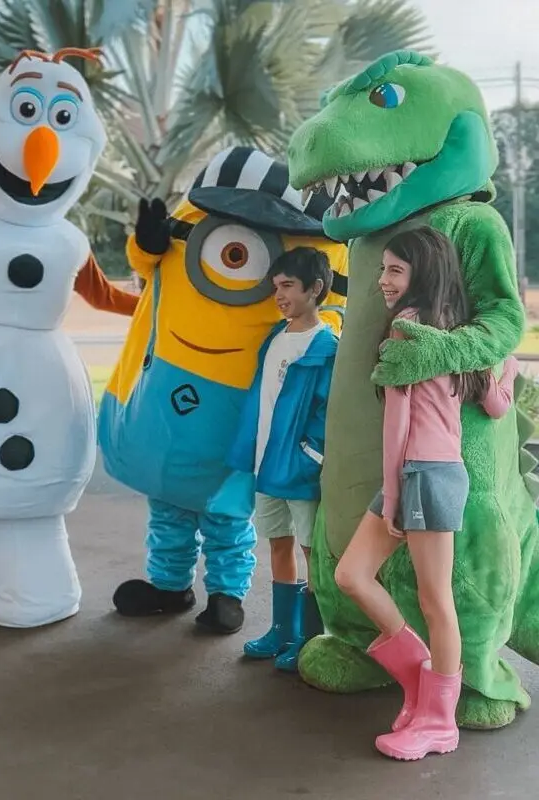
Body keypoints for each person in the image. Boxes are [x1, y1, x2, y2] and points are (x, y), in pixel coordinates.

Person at [334, 226, 519, 761]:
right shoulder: (460, 333)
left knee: (436, 602)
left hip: (424, 475)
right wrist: (507, 371)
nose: (383, 280)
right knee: (352, 575)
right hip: (425, 475)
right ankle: (421, 680)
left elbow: (397, 425)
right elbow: (497, 406)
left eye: (395, 269)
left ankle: (439, 722)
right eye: (383, 269)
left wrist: (392, 497)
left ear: (423, 273)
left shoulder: (409, 329)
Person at [228, 247, 338, 671]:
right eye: (276, 286)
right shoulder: (275, 338)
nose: (279, 295)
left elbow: (329, 413)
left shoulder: (327, 347)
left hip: (301, 469)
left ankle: (312, 638)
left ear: (315, 288)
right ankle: (282, 631)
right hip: (267, 465)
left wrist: (310, 455)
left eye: (288, 286)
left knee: (312, 551)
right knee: (278, 544)